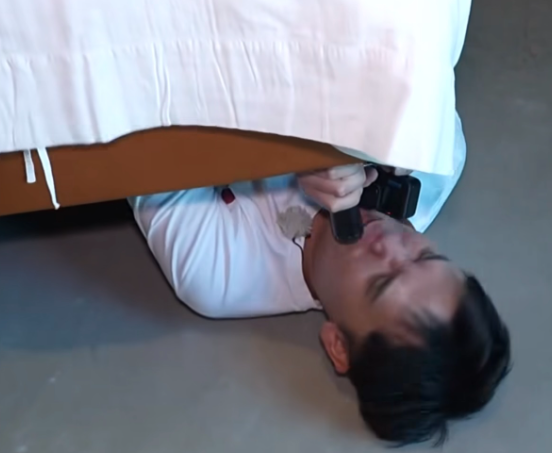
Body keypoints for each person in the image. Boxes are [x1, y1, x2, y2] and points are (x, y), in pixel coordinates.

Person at [129, 113, 512, 445]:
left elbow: (138, 135)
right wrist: (378, 121)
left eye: (381, 282)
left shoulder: (217, 271)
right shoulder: (434, 162)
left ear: (338, 345)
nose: (391, 240)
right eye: (424, 255)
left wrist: (295, 149)